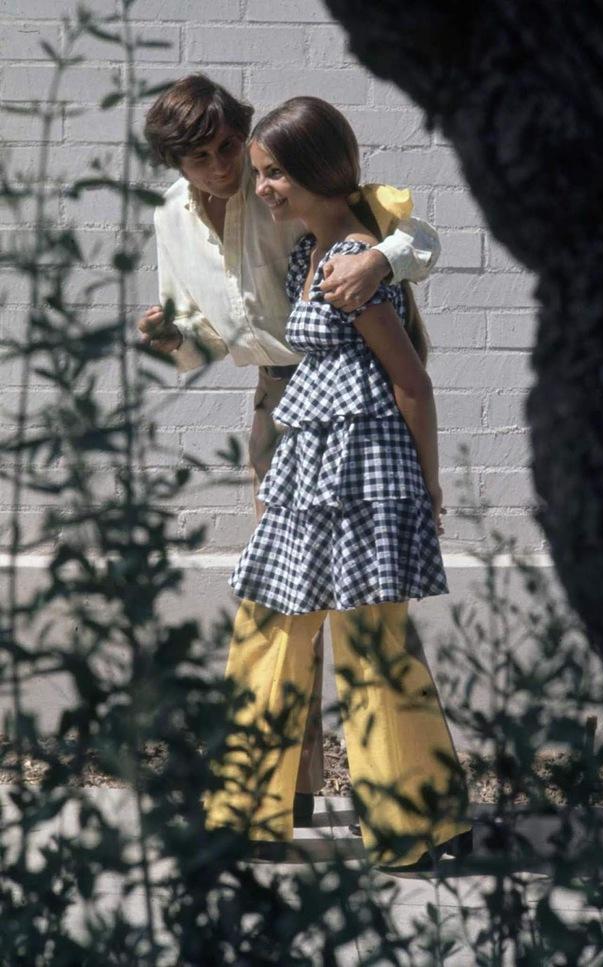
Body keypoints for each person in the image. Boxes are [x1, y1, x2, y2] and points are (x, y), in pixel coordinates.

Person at [138, 75, 443, 828]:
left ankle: (381, 805)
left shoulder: (285, 187)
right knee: (288, 602)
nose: (223, 166)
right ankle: (286, 793)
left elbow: (413, 240)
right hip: (280, 405)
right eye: (200, 157)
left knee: (342, 614)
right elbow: (215, 334)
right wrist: (172, 338)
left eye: (228, 147)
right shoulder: (172, 220)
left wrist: (379, 261)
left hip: (347, 403)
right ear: (176, 164)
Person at [203, 96, 471, 873]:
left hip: (363, 482)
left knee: (369, 645)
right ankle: (248, 809)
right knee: (269, 626)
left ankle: (412, 824)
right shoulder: (311, 252)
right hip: (312, 478)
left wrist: (427, 491)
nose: (264, 188)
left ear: (320, 171)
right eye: (260, 173)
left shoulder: (354, 261)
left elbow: (411, 384)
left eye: (276, 172)